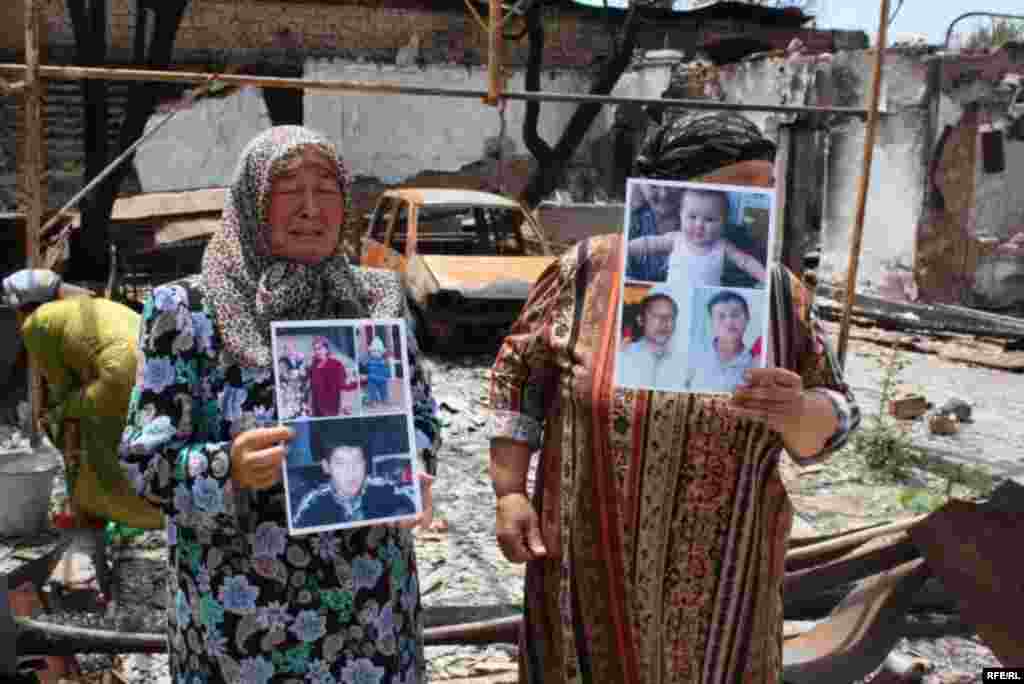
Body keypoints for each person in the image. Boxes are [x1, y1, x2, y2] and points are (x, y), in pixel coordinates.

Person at [487, 159, 860, 683]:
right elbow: (517, 375)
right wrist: (509, 491)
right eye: (730, 183)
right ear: (675, 188)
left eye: (765, 187)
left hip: (726, 577)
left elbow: (839, 413)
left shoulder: (778, 293)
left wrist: (799, 411)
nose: (753, 197)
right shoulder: (590, 268)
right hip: (585, 557)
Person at [120, 126, 441, 684]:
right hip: (247, 625)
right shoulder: (188, 310)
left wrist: (415, 464)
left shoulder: (377, 298)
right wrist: (227, 466)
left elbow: (421, 415)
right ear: (252, 200)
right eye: (290, 190)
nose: (312, 209)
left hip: (374, 611)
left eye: (328, 189)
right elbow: (144, 461)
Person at [2, 269, 163, 535]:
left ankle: (95, 517)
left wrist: (56, 417)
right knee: (136, 445)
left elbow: (62, 387)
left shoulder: (37, 322)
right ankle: (156, 509)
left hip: (118, 376)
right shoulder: (95, 305)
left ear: (22, 307)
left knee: (78, 431)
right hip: (156, 370)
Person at [627, 187, 767, 287]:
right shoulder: (676, 239)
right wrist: (625, 248)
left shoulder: (722, 245)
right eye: (692, 217)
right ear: (680, 215)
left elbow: (745, 261)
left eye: (710, 219)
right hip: (674, 294)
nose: (699, 225)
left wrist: (764, 277)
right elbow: (648, 244)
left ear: (723, 223)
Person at [686, 289, 758, 393]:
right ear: (712, 322)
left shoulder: (755, 363)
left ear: (747, 318)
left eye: (735, 315)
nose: (729, 322)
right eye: (721, 316)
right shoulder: (693, 357)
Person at [615, 285, 683, 391]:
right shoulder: (623, 357)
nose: (664, 322)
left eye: (670, 317)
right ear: (641, 320)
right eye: (656, 316)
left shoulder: (683, 365)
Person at [624, 182, 680, 282]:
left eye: (672, 185)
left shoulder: (701, 222)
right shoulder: (632, 219)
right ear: (641, 186)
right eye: (654, 186)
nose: (664, 194)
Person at [310, 335, 357, 416]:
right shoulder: (314, 365)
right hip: (316, 409)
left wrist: (358, 382)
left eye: (319, 349)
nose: (317, 352)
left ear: (327, 349)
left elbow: (343, 385)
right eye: (315, 349)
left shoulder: (336, 364)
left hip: (330, 409)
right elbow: (312, 387)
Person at [364, 336, 391, 406]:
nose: (376, 353)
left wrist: (387, 375)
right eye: (374, 351)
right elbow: (366, 368)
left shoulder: (384, 361)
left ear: (381, 352)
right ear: (371, 352)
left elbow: (387, 370)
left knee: (383, 390)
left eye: (378, 351)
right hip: (372, 379)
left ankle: (384, 399)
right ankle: (372, 400)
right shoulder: (369, 360)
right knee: (371, 390)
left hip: (382, 379)